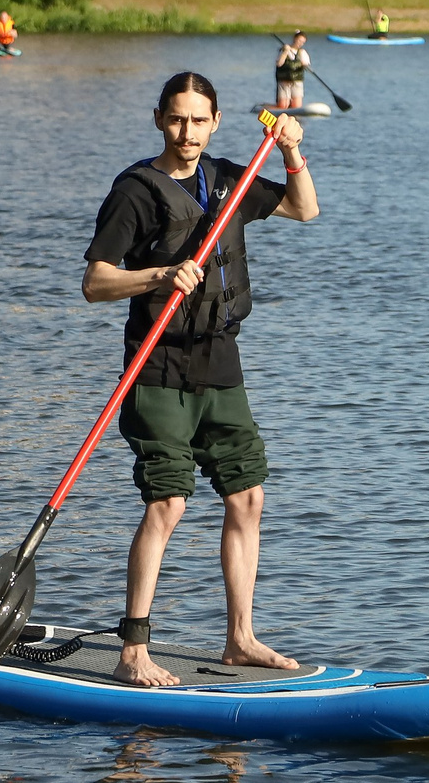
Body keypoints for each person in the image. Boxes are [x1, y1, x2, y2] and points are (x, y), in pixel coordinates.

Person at [81, 73, 317, 686]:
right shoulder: (135, 192)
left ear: (215, 122)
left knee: (248, 496)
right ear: (159, 118)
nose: (187, 133)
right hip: (157, 365)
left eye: (199, 121)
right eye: (177, 120)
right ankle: (134, 650)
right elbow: (96, 283)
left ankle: (240, 639)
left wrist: (291, 150)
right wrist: (157, 277)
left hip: (220, 362)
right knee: (168, 502)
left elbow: (303, 208)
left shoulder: (230, 179)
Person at [273, 32, 310, 109]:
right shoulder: (283, 50)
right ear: (295, 39)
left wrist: (303, 63)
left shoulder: (302, 52)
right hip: (284, 81)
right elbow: (279, 63)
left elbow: (307, 64)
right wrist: (286, 51)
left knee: (296, 105)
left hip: (296, 81)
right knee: (283, 105)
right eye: (299, 41)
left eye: (303, 42)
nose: (300, 44)